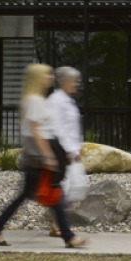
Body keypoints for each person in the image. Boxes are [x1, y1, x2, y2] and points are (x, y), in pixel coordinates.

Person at [0, 63, 82, 247]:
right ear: (38, 78)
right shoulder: (35, 101)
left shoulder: (34, 99)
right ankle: (69, 237)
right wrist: (48, 156)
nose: (51, 78)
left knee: (34, 196)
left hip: (35, 158)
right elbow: (36, 132)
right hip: (38, 159)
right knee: (55, 196)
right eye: (47, 75)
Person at [47, 66, 85, 217]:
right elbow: (58, 128)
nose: (76, 84)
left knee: (70, 187)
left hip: (68, 150)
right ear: (64, 82)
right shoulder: (56, 101)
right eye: (73, 81)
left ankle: (57, 220)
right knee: (63, 186)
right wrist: (70, 151)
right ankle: (57, 222)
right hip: (61, 151)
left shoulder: (67, 100)